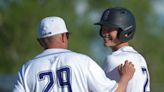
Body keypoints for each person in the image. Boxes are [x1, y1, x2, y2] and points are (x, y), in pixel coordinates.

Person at [13, 16, 135, 92]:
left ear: (40, 42)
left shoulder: (27, 69)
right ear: (63, 36)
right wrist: (125, 77)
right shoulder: (82, 61)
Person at [95, 7, 150, 92]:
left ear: (124, 31)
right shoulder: (140, 58)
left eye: (110, 29)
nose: (105, 33)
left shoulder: (113, 59)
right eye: (103, 28)